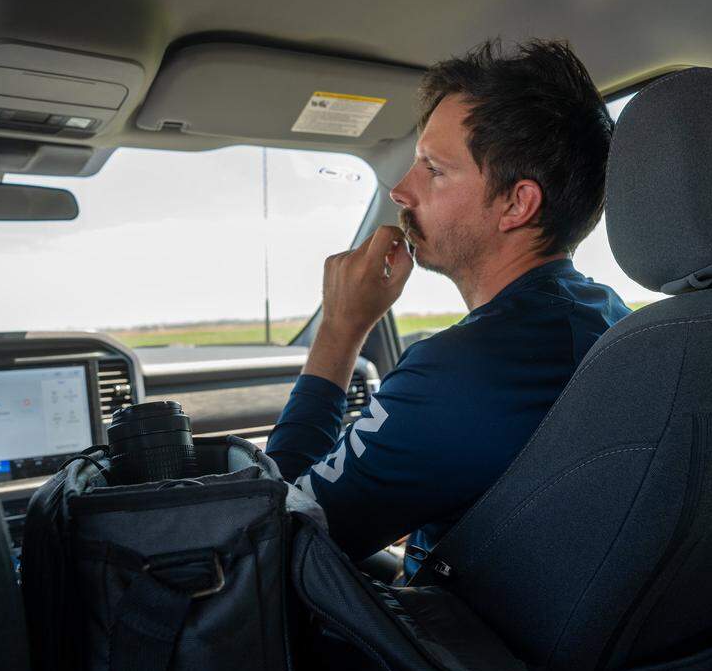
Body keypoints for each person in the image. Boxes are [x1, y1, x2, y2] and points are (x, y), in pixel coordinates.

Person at [265, 39, 630, 578]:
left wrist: (339, 332)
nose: (401, 190)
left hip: (456, 654)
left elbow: (276, 536)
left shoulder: (464, 371)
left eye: (432, 169)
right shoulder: (603, 315)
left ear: (516, 204)